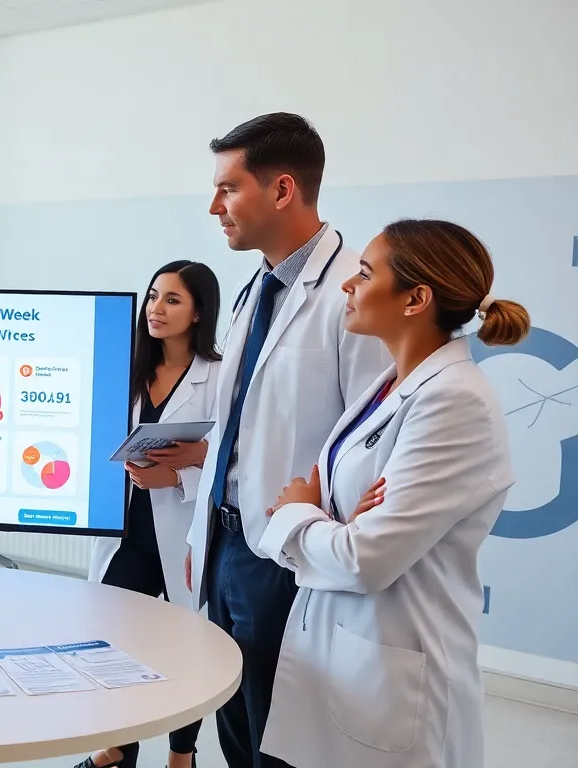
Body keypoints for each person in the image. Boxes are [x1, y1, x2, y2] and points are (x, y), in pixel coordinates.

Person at [258, 220, 527, 768]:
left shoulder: (455, 402)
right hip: (344, 655)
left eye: (364, 272)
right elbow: (352, 532)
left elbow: (364, 559)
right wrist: (334, 523)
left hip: (394, 672)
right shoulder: (390, 386)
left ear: (416, 299)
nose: (346, 286)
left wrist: (297, 515)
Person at [182, 113, 389, 768]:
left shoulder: (354, 291)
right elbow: (246, 417)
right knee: (235, 717)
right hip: (225, 540)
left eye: (229, 188)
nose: (215, 206)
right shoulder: (260, 285)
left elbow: (374, 436)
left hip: (286, 554)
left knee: (281, 733)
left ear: (282, 190)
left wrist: (326, 527)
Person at [81, 261, 223, 768]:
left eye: (172, 300)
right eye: (153, 297)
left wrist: (178, 476)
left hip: (184, 532)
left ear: (199, 312)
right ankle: (117, 750)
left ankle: (180, 757)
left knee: (184, 649)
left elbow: (232, 457)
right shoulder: (128, 367)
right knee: (115, 646)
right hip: (128, 533)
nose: (156, 310)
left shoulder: (218, 377)